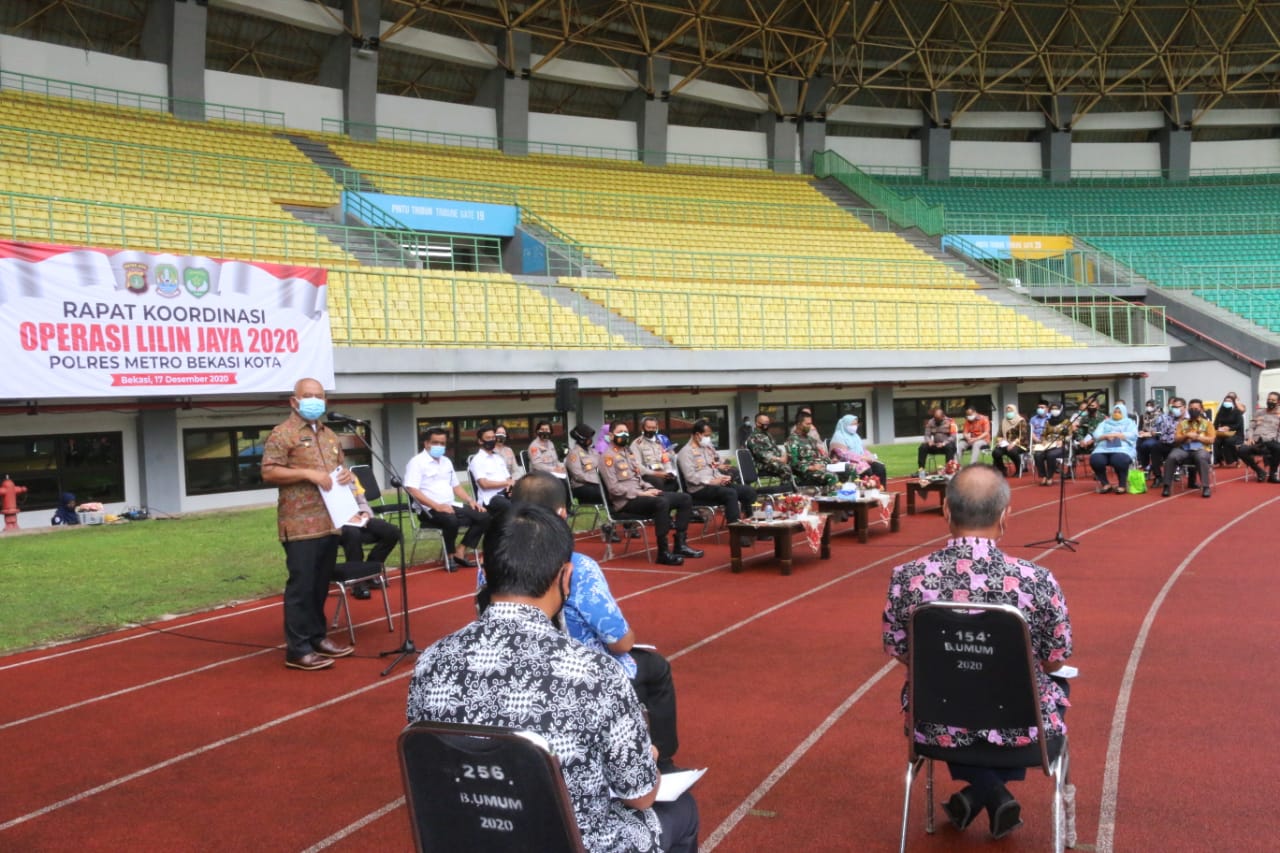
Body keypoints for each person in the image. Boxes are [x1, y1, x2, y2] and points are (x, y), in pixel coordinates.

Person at [407, 504, 700, 853]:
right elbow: (640, 796)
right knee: (683, 810)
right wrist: (645, 758)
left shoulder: (430, 662)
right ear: (565, 576)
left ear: (485, 568)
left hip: (471, 838)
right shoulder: (596, 672)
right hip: (577, 843)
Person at [882, 465, 1072, 840]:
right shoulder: (1037, 580)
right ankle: (990, 789)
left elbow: (901, 651)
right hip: (1022, 728)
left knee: (956, 688)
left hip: (935, 726)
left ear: (946, 512)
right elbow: (1056, 659)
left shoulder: (907, 577)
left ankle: (979, 792)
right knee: (1056, 688)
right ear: (1006, 516)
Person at [500, 471, 688, 774]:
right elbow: (619, 641)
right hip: (579, 676)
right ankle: (660, 762)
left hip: (514, 672)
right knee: (655, 666)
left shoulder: (492, 566)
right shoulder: (578, 567)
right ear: (561, 514)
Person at [260, 377, 355, 671]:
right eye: (308, 395)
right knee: (301, 587)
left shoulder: (329, 435)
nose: (315, 400)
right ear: (294, 401)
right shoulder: (282, 434)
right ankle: (297, 648)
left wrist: (347, 476)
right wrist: (307, 474)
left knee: (318, 586)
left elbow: (339, 467)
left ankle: (317, 637)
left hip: (330, 520)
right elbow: (269, 472)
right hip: (300, 523)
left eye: (320, 396)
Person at [600, 421, 703, 566]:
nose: (624, 435)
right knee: (662, 502)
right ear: (611, 435)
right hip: (625, 502)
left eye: (626, 432)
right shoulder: (607, 457)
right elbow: (614, 489)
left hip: (641, 495)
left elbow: (639, 478)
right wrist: (641, 494)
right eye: (620, 432)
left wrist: (649, 488)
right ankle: (663, 552)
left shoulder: (628, 453)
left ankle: (680, 544)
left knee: (684, 498)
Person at [404, 427, 489, 572]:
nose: (439, 446)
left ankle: (460, 550)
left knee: (484, 516)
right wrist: (437, 506)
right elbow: (413, 490)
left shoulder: (446, 461)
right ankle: (449, 556)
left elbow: (456, 486)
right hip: (428, 509)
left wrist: (470, 500)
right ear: (426, 444)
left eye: (442, 443)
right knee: (451, 520)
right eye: (435, 442)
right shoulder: (416, 462)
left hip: (450, 505)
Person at [677, 418, 756, 523]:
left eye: (710, 435)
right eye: (706, 435)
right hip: (700, 488)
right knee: (730, 493)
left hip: (717, 484)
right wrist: (711, 481)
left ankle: (751, 520)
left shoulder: (707, 447)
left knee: (748, 491)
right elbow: (690, 476)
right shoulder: (685, 452)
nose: (708, 439)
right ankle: (736, 528)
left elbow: (714, 464)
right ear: (697, 435)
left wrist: (722, 477)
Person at [339, 478, 403, 600]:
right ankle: (357, 581)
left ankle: (369, 571)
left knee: (392, 531)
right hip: (338, 524)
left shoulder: (350, 477)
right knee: (353, 534)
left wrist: (365, 513)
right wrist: (346, 517)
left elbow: (362, 501)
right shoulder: (324, 478)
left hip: (359, 518)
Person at [1161, 398, 1215, 498]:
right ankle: (1167, 486)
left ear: (1201, 409)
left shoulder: (1208, 424)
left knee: (1201, 457)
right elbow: (1176, 439)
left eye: (1196, 408)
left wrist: (1198, 437)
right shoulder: (1182, 424)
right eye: (1191, 408)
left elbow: (1211, 440)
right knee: (1172, 456)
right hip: (1184, 449)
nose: (1193, 410)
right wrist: (1186, 436)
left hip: (1201, 449)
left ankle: (1206, 487)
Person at [468, 423, 515, 517]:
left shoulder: (498, 458)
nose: (492, 440)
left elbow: (509, 480)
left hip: (504, 494)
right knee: (509, 507)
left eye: (493, 438)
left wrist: (511, 490)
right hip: (490, 498)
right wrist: (506, 483)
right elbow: (484, 484)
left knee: (528, 502)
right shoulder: (477, 460)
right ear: (480, 441)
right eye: (488, 438)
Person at [1091, 402, 1138, 493]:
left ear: (1124, 413)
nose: (1116, 413)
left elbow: (1133, 435)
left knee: (1119, 459)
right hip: (1103, 448)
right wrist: (1105, 436)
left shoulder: (1129, 422)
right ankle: (1105, 484)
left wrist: (1118, 435)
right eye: (1115, 411)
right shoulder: (1105, 422)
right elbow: (1096, 434)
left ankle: (1122, 485)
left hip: (1123, 448)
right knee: (1095, 460)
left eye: (1119, 412)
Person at [785, 411, 838, 491]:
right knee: (831, 476)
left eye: (810, 424)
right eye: (807, 424)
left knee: (848, 469)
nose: (810, 426)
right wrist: (811, 467)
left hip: (820, 467)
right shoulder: (792, 440)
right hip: (805, 473)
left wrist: (831, 461)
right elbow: (793, 462)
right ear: (799, 424)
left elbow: (819, 456)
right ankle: (831, 501)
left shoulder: (810, 439)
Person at [828, 414, 888, 484]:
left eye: (856, 424)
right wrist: (861, 458)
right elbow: (843, 454)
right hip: (847, 462)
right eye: (852, 424)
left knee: (879, 467)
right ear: (845, 424)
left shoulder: (855, 436)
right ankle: (867, 489)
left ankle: (880, 489)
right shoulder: (838, 436)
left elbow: (862, 449)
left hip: (860, 460)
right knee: (866, 469)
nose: (855, 426)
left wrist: (870, 457)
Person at [1240, 391, 1280, 482]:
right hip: (1256, 440)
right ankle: (1259, 471)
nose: (1270, 401)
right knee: (1242, 450)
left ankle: (1272, 476)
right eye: (1269, 399)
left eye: (1273, 400)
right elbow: (1250, 427)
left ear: (1278, 402)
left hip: (1270, 440)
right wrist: (1249, 437)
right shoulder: (1259, 412)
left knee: (1278, 449)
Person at [632, 416, 679, 491]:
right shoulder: (637, 444)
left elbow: (665, 459)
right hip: (648, 475)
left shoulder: (660, 442)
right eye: (649, 427)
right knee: (658, 482)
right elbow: (638, 466)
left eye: (653, 428)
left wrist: (669, 472)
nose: (651, 430)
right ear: (642, 428)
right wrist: (656, 474)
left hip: (663, 473)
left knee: (675, 482)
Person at [745, 412, 790, 482]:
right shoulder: (753, 438)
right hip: (764, 464)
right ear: (757, 423)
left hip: (776, 461)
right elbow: (762, 455)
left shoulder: (767, 435)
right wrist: (779, 459)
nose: (767, 424)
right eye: (765, 422)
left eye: (768, 422)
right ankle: (786, 490)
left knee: (796, 464)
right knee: (785, 468)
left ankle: (801, 487)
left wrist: (784, 455)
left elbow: (776, 449)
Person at [1033, 404, 1070, 486]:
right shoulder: (1048, 422)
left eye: (1056, 409)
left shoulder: (1066, 422)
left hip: (1060, 445)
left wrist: (1063, 441)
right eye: (1052, 409)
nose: (1054, 410)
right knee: (1037, 454)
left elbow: (1069, 435)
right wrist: (1043, 440)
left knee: (1051, 455)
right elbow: (1043, 434)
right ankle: (1043, 476)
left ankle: (1050, 476)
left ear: (1060, 410)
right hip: (1048, 444)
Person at [1136, 400, 1175, 478]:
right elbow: (1140, 427)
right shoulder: (1143, 416)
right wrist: (1141, 432)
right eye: (1147, 405)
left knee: (1147, 445)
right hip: (1144, 436)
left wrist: (1151, 433)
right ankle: (1144, 464)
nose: (1149, 407)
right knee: (1138, 444)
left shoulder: (1160, 416)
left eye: (1151, 405)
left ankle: (1155, 466)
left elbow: (1160, 430)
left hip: (1156, 436)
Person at [990, 405, 1028, 478]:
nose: (1009, 413)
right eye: (1007, 411)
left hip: (1020, 444)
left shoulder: (1021, 421)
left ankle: (1018, 469)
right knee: (996, 452)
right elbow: (999, 434)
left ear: (1015, 411)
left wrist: (1013, 443)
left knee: (1012, 451)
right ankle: (1002, 469)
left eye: (1011, 411)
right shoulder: (1004, 421)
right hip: (1006, 443)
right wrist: (999, 441)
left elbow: (1022, 436)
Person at [917, 406, 957, 473]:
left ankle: (949, 469)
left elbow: (953, 437)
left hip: (947, 445)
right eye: (935, 419)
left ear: (943, 416)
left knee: (949, 447)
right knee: (922, 447)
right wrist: (929, 441)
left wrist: (944, 443)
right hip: (935, 445)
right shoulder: (930, 421)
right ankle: (921, 470)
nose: (936, 421)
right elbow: (927, 434)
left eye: (938, 419)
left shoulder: (951, 421)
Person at [1213, 391, 1245, 467]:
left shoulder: (1237, 412)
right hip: (1222, 433)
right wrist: (1218, 428)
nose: (1227, 402)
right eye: (1226, 401)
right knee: (1215, 441)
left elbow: (1239, 425)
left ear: (1233, 403)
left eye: (1230, 401)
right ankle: (1218, 460)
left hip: (1236, 433)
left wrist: (1229, 428)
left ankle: (1234, 460)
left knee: (1229, 441)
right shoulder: (1221, 411)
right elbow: (1215, 423)